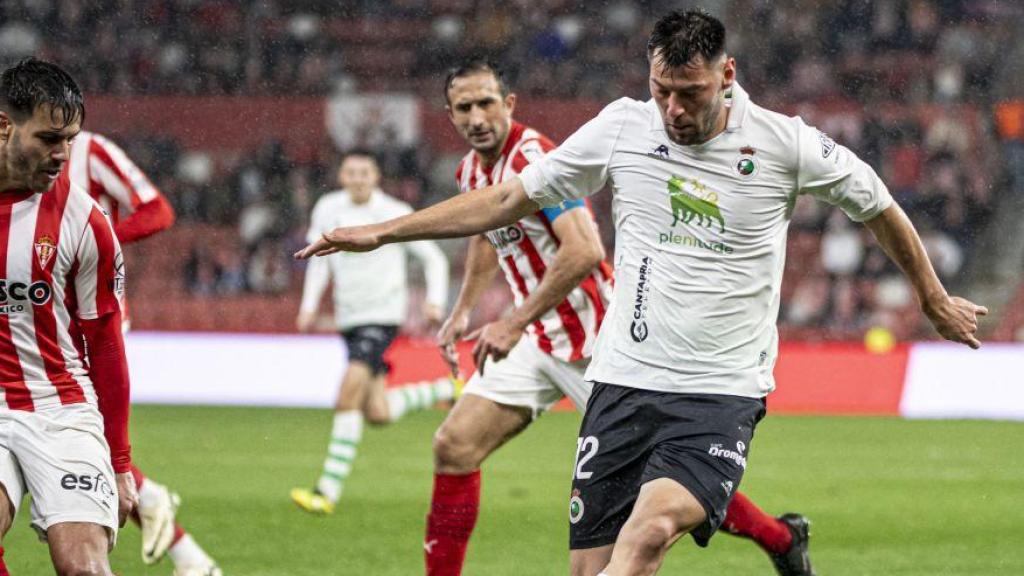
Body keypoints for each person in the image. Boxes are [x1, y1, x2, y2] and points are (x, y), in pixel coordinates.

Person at [296, 10, 987, 576]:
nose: (674, 109)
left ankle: (773, 536)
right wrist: (383, 231)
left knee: (648, 533)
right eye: (662, 90)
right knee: (577, 555)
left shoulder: (787, 144)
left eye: (690, 93)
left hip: (718, 388)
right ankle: (781, 539)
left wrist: (931, 297)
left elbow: (878, 205)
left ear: (727, 76)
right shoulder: (624, 126)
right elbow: (504, 205)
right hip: (622, 379)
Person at [426, 61, 813, 576]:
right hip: (539, 339)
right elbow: (488, 233)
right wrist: (464, 309)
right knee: (453, 445)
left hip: (601, 344)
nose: (477, 117)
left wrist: (513, 320)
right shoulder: (472, 172)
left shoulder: (533, 156)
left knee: (673, 480)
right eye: (464, 108)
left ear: (510, 104)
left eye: (486, 103)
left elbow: (583, 249)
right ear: (449, 115)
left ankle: (781, 537)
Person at [0, 57, 136, 576]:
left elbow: (105, 343)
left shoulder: (86, 220)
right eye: (49, 139)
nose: (62, 155)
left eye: (70, 140)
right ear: (5, 125)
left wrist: (121, 463)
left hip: (61, 405)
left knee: (84, 569)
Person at [64, 130, 220, 575]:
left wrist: (95, 237)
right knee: (71, 446)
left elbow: (157, 210)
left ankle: (165, 523)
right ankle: (189, 556)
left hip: (89, 316)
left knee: (74, 442)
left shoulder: (90, 150)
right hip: (31, 321)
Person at [291, 150, 453, 515]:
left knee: (347, 395)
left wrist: (434, 301)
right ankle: (448, 390)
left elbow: (433, 258)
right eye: (352, 172)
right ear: (342, 176)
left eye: (366, 171)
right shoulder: (328, 207)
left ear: (376, 175)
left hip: (382, 316)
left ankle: (326, 492)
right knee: (376, 411)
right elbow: (319, 260)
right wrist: (309, 305)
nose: (359, 178)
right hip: (349, 317)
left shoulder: (393, 210)